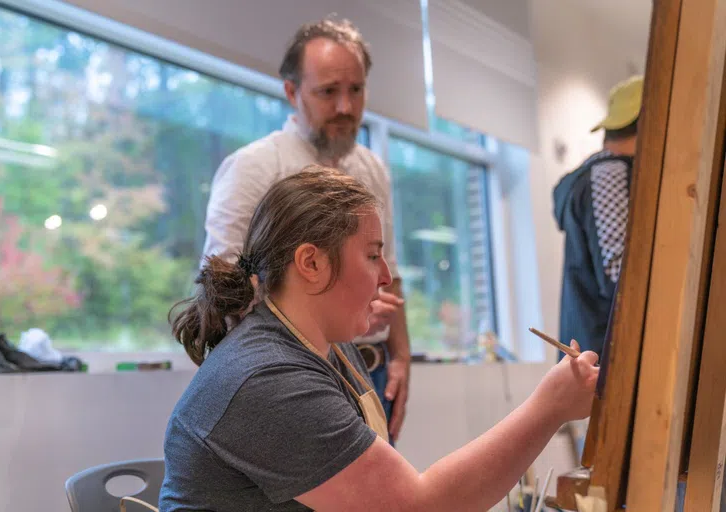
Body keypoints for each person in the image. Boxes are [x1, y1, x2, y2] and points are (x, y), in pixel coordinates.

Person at [161, 167, 599, 512]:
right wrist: (549, 408)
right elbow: (418, 506)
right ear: (311, 262)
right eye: (372, 255)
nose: (387, 277)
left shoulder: (332, 348)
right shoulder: (267, 380)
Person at [200, 18, 410, 440]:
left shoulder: (371, 169)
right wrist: (336, 313)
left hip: (372, 368)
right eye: (328, 91)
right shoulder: (254, 167)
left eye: (356, 90)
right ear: (292, 92)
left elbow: (389, 271)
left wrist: (402, 354)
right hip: (292, 369)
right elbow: (222, 284)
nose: (346, 108)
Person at [553, 75, 643, 360]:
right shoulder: (610, 174)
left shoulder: (590, 176)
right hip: (608, 360)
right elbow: (619, 273)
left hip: (589, 355)